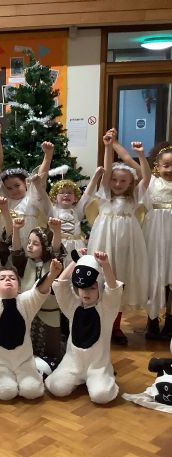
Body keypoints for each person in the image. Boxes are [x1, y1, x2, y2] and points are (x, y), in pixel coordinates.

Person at [87, 130, 150, 345]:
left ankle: (115, 327)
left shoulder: (134, 198)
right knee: (102, 282)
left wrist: (140, 155)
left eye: (123, 180)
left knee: (120, 281)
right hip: (104, 242)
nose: (117, 183)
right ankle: (99, 325)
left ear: (130, 183)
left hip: (126, 247)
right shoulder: (105, 196)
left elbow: (146, 177)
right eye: (114, 180)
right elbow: (105, 174)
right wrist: (107, 147)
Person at [0, 258, 62, 400]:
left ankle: (36, 369)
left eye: (12, 278)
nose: (8, 279)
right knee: (6, 393)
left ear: (19, 288)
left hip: (24, 361)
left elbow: (40, 291)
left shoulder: (25, 301)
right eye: (2, 278)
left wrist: (52, 275)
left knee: (33, 392)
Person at [46, 250, 123, 404]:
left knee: (101, 396)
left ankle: (101, 377)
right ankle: (80, 379)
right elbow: (61, 284)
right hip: (72, 364)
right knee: (56, 388)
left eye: (92, 288)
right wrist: (76, 261)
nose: (86, 293)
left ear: (99, 287)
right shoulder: (73, 305)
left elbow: (113, 289)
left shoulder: (106, 309)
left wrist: (105, 265)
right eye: (82, 288)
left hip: (97, 367)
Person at [11, 217, 66, 359]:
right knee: (27, 345)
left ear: (46, 247)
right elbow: (16, 250)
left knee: (51, 348)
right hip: (28, 313)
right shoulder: (24, 262)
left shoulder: (53, 264)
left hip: (49, 313)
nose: (29, 246)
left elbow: (56, 249)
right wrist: (16, 230)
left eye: (35, 244)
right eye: (29, 242)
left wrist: (57, 231)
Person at [0, 141, 55, 248]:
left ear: (25, 183)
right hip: (11, 242)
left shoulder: (31, 197)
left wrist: (47, 156)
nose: (14, 190)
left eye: (17, 185)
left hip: (30, 241)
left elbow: (41, 178)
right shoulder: (6, 201)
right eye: (9, 188)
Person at [142, 145, 172, 340]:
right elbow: (134, 165)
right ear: (157, 167)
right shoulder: (151, 182)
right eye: (166, 165)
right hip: (154, 236)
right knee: (153, 276)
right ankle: (151, 319)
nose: (170, 170)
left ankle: (170, 321)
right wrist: (115, 145)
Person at [44, 169, 103, 264]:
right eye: (62, 192)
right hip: (58, 245)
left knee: (77, 267)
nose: (66, 195)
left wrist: (96, 176)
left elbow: (87, 196)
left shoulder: (77, 211)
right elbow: (42, 197)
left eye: (69, 192)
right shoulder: (52, 210)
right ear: (55, 197)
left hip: (77, 246)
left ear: (75, 198)